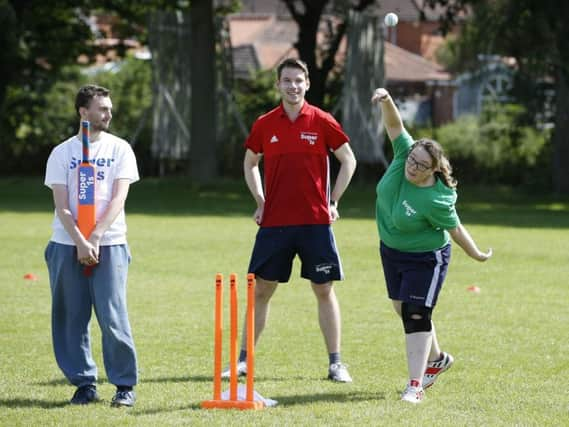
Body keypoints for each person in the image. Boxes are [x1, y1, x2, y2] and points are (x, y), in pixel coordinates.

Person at [223, 58, 357, 382]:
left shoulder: (322, 120)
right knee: (261, 291)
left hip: (315, 222)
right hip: (274, 223)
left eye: (298, 80)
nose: (293, 86)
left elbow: (348, 160)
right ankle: (243, 361)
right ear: (278, 85)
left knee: (323, 289)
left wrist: (334, 201)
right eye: (287, 81)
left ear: (307, 84)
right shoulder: (265, 123)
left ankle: (336, 364)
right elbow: (250, 162)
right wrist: (260, 200)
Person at [371, 88, 492, 403]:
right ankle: (438, 360)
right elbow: (395, 127)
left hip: (426, 258)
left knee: (415, 315)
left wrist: (476, 253)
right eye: (413, 160)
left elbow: (455, 229)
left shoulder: (436, 199)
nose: (413, 167)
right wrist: (387, 101)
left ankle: (415, 385)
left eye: (421, 165)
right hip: (391, 251)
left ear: (434, 169)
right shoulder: (402, 155)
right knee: (401, 308)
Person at [44, 84, 139, 407]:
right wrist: (80, 241)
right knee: (71, 316)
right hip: (65, 243)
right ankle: (84, 382)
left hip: (110, 243)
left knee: (113, 316)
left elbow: (118, 198)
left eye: (110, 107)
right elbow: (62, 205)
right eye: (102, 108)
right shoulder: (61, 153)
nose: (109, 113)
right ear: (83, 112)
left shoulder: (120, 149)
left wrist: (95, 237)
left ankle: (124, 385)